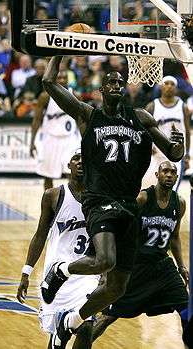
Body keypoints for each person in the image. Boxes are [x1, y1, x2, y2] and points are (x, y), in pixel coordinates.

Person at [39, 56, 184, 348]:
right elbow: (48, 82)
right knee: (105, 260)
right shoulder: (88, 115)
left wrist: (177, 144)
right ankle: (61, 270)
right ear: (101, 90)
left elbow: (173, 152)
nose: (116, 85)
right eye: (111, 82)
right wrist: (60, 51)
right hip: (99, 201)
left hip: (128, 205)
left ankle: (71, 323)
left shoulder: (140, 117)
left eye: (120, 81)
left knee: (116, 288)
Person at [91, 161, 189, 347]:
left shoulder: (180, 203)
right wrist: (109, 268)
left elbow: (175, 237)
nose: (169, 175)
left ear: (177, 177)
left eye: (173, 172)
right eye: (165, 171)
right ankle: (81, 344)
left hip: (163, 267)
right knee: (108, 316)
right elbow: (120, 231)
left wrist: (181, 266)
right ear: (157, 175)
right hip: (136, 266)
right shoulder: (143, 198)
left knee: (187, 310)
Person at [17, 150, 99, 349]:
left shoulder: (99, 197)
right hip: (56, 276)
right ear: (68, 166)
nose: (80, 162)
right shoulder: (53, 195)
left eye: (85, 159)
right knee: (57, 337)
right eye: (76, 159)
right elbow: (39, 235)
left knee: (86, 327)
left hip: (86, 274)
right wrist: (26, 272)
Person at [30, 70, 81, 190]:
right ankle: (49, 205)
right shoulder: (45, 97)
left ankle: (72, 202)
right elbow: (37, 120)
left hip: (70, 139)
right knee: (47, 176)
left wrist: (85, 139)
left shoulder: (76, 96)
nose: (62, 80)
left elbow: (81, 119)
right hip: (50, 139)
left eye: (64, 77)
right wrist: (32, 142)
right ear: (54, 79)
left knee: (72, 174)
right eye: (59, 78)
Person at [142, 75, 191, 191]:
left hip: (176, 155)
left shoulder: (183, 106)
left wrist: (187, 154)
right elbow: (142, 130)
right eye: (166, 83)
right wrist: (147, 147)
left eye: (172, 84)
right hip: (156, 155)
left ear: (176, 88)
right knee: (151, 189)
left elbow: (187, 132)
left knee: (172, 191)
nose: (169, 86)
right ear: (161, 87)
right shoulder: (152, 106)